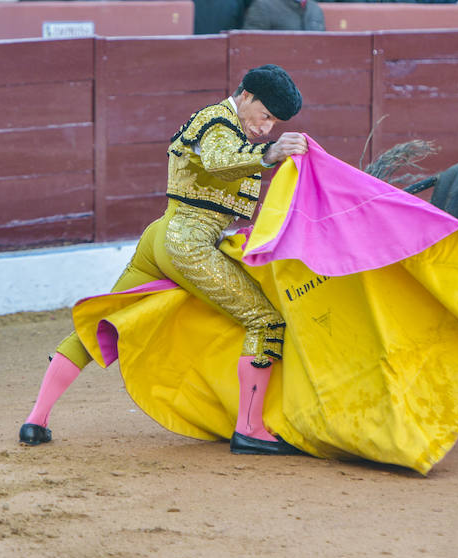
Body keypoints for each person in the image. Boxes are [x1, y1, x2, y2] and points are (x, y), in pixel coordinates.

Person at [18, 64, 308, 455]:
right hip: (187, 243)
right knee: (265, 320)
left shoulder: (225, 125)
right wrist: (271, 153)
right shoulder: (218, 122)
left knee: (102, 321)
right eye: (266, 115)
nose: (266, 127)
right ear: (246, 96)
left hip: (160, 237)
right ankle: (250, 429)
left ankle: (35, 420)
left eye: (273, 123)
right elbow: (219, 160)